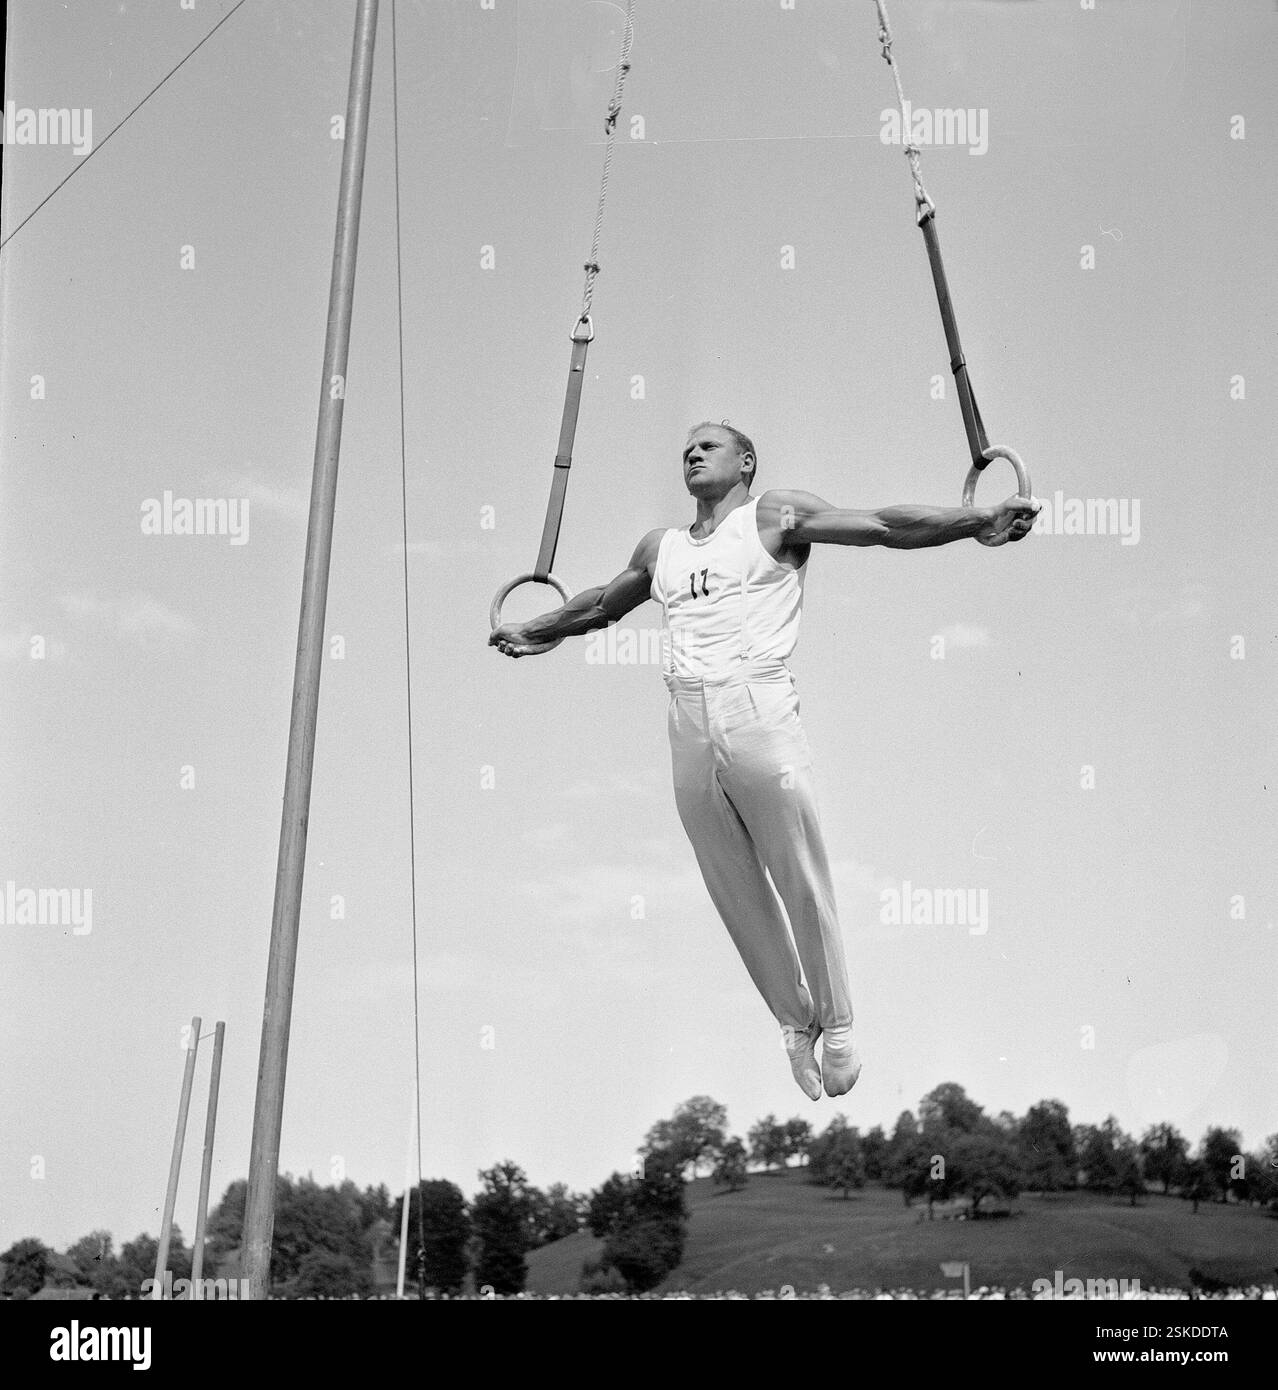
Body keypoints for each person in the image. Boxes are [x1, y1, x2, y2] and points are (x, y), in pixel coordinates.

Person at [489, 422, 1037, 1099]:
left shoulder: (776, 515)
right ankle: (794, 1025)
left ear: (745, 462)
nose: (691, 452)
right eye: (684, 447)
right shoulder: (659, 548)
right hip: (686, 722)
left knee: (798, 875)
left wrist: (977, 519)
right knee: (736, 894)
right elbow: (602, 605)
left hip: (758, 706)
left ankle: (837, 1029)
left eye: (708, 445)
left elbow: (882, 526)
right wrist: (533, 628)